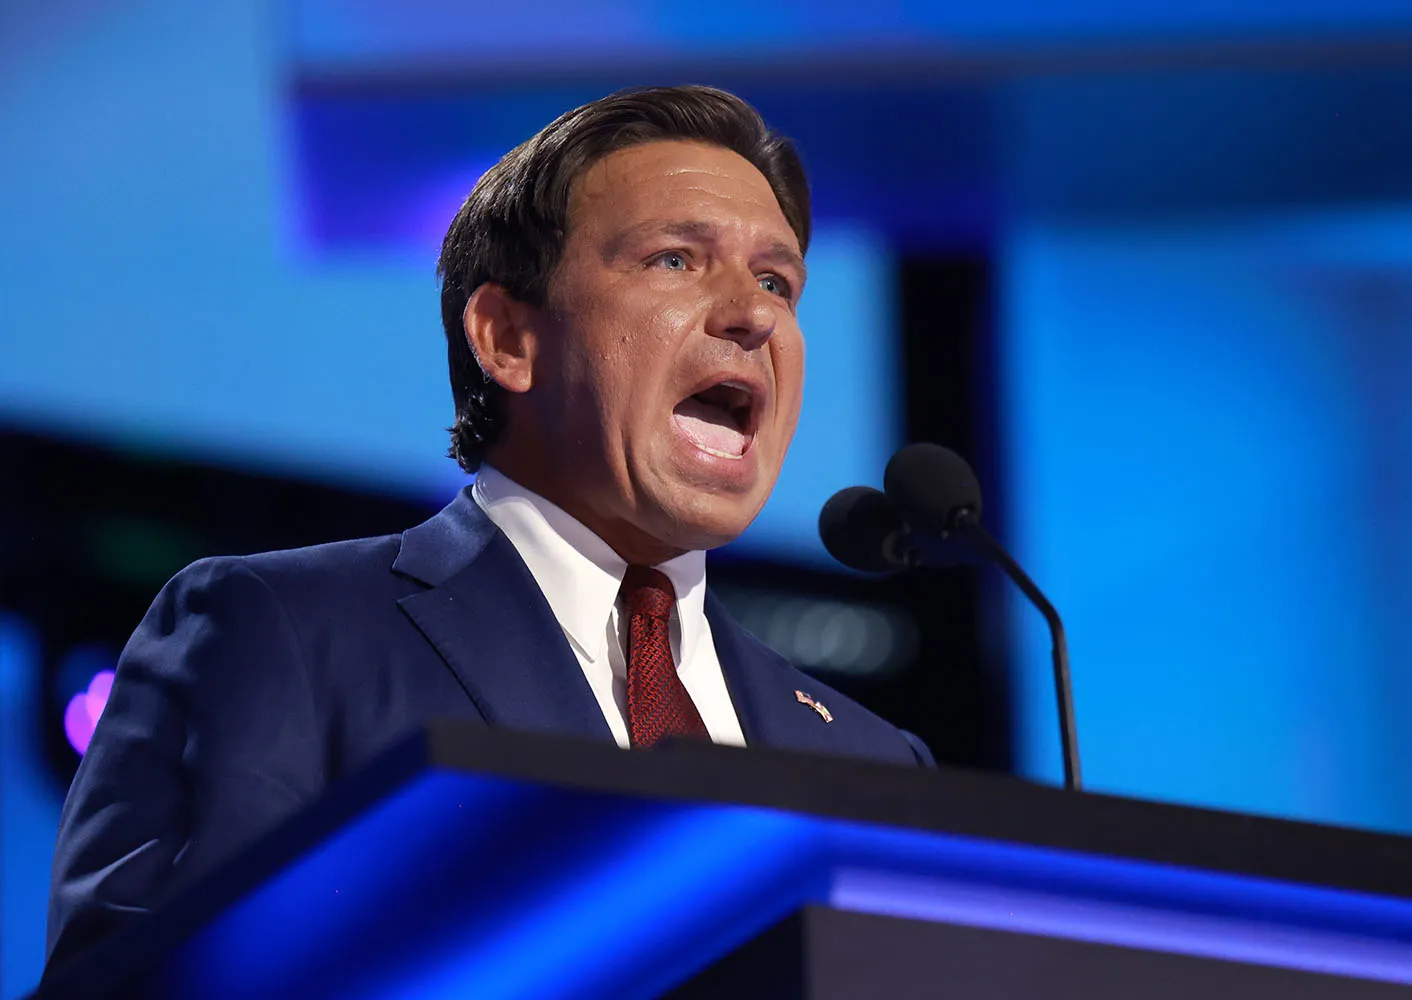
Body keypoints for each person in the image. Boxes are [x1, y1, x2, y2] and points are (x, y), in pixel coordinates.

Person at [44, 84, 933, 975]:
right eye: (673, 260)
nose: (755, 314)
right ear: (507, 339)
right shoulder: (282, 633)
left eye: (777, 280)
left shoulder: (869, 758)